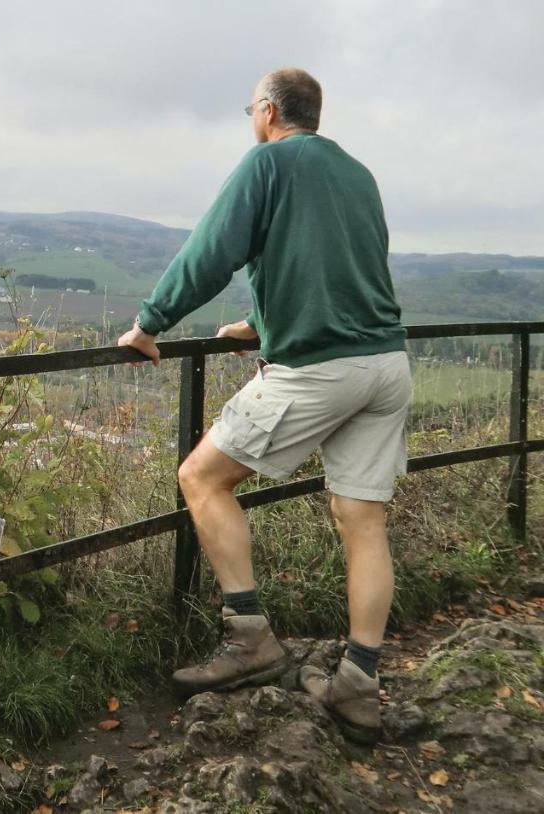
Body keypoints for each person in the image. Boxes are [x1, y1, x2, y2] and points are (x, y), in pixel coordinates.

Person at [115, 68, 411, 744]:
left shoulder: (267, 162)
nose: (252, 116)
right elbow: (341, 259)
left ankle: (248, 638)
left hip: (319, 369)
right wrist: (259, 320)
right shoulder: (357, 173)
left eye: (251, 106)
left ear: (269, 111)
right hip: (386, 364)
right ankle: (359, 685)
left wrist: (151, 322)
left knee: (201, 478)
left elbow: (211, 252)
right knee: (362, 521)